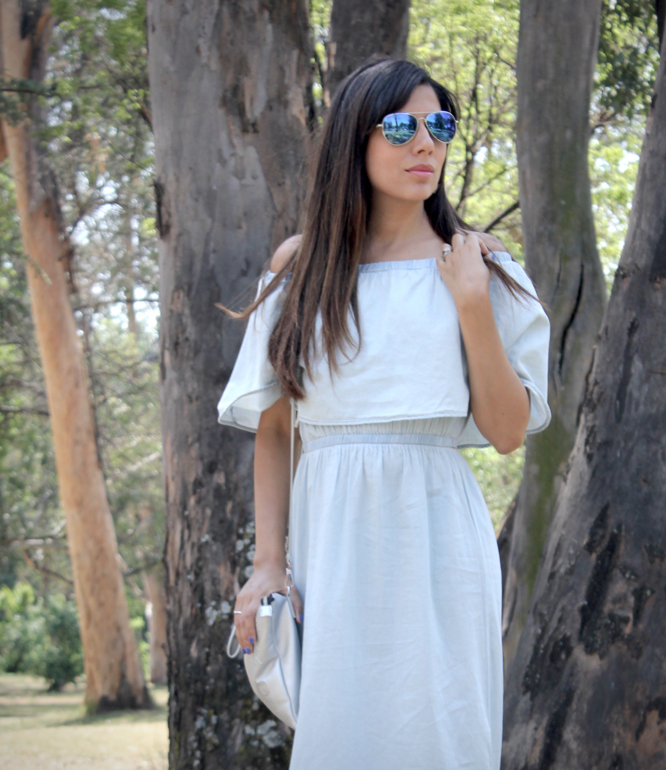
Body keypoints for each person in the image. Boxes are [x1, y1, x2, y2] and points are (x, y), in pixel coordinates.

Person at [217, 57, 552, 770]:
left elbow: (507, 431)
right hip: (330, 540)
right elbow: (276, 429)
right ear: (355, 139)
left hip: (437, 538)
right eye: (401, 127)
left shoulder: (481, 266)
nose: (425, 143)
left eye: (440, 127)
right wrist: (268, 563)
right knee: (342, 740)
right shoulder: (300, 268)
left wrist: (470, 302)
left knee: (440, 736)